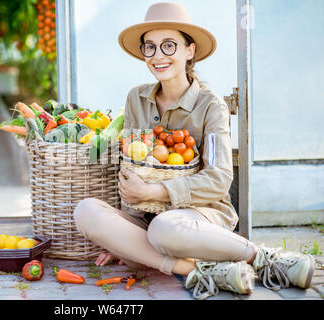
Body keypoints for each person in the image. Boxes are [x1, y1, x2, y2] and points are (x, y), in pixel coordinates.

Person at [73, 2, 315, 300]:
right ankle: (195, 270)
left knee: (164, 230)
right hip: (147, 221)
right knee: (85, 211)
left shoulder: (210, 105)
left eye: (169, 45)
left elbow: (219, 178)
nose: (158, 56)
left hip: (200, 218)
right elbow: (132, 168)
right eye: (150, 47)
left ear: (190, 51)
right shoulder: (136, 98)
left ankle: (263, 258)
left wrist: (157, 192)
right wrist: (117, 236)